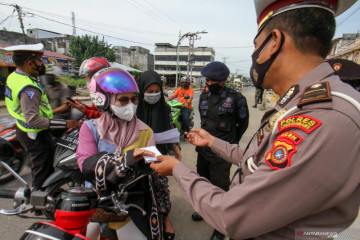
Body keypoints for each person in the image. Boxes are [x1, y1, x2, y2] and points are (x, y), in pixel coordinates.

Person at [150, 1, 360, 239]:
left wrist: (178, 169)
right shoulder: (298, 103)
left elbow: (231, 215)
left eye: (256, 45)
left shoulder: (321, 117)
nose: (254, 56)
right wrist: (211, 141)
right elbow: (257, 160)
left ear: (274, 41)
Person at [76, 67, 170, 240]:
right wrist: (128, 159)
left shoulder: (145, 132)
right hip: (97, 205)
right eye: (123, 100)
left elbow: (155, 178)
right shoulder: (91, 129)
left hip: (131, 207)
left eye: (134, 99)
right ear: (103, 100)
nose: (131, 105)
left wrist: (165, 216)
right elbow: (87, 166)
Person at [4, 43, 81, 192]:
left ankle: (45, 195)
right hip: (35, 133)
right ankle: (39, 202)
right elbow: (33, 119)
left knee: (42, 166)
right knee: (42, 170)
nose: (42, 65)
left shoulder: (14, 77)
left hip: (23, 129)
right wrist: (65, 124)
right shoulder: (28, 88)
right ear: (30, 63)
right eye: (40, 61)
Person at [192, 61, 249, 240]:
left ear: (223, 80)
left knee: (220, 188)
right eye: (206, 80)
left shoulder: (237, 99)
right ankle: (204, 210)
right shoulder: (204, 97)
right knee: (203, 182)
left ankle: (220, 228)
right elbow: (204, 122)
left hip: (222, 153)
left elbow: (243, 124)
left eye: (211, 80)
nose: (208, 83)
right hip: (203, 151)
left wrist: (230, 144)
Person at [136, 70, 181, 240]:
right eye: (149, 91)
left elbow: (170, 127)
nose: (153, 95)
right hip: (138, 154)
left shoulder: (165, 108)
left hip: (159, 154)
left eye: (157, 92)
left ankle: (166, 219)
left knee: (161, 186)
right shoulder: (134, 108)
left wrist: (176, 147)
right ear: (142, 90)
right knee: (140, 186)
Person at [167, 76, 194, 142]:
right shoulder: (179, 89)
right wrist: (167, 100)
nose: (184, 84)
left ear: (189, 83)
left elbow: (190, 97)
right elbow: (174, 96)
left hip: (186, 107)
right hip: (179, 106)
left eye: (186, 83)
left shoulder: (190, 90)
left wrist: (187, 103)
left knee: (185, 120)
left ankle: (186, 136)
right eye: (183, 82)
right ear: (181, 83)